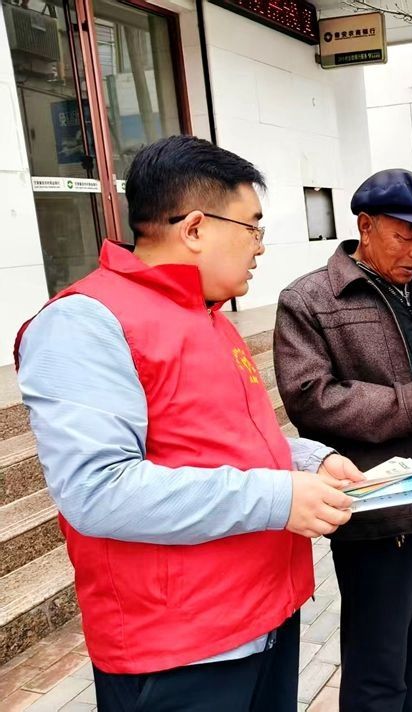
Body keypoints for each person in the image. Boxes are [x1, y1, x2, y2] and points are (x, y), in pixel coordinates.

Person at [14, 135, 360, 712]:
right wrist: (279, 498)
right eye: (252, 227)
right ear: (195, 228)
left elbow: (229, 440)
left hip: (264, 616)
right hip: (179, 650)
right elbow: (97, 490)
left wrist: (309, 460)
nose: (260, 247)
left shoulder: (207, 316)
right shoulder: (85, 323)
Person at [273, 168, 412, 712]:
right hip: (376, 505)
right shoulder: (310, 299)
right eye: (403, 235)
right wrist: (411, 400)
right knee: (378, 662)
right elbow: (310, 397)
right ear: (365, 226)